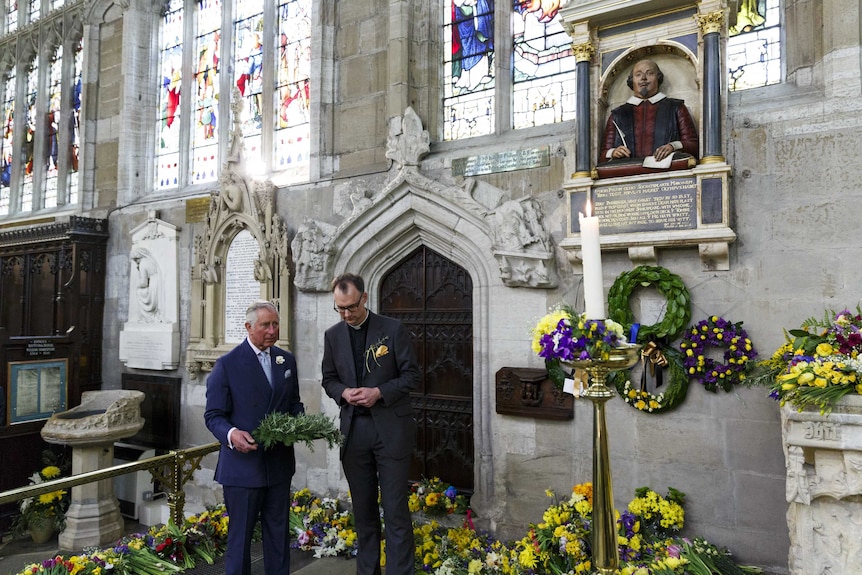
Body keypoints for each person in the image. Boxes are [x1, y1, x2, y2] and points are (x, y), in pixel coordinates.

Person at [321, 274, 420, 575]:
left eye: (351, 307)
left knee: (395, 513)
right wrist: (343, 393)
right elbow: (328, 379)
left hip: (390, 430)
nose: (347, 314)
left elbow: (412, 376)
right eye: (340, 309)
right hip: (354, 433)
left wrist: (380, 392)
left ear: (364, 298)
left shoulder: (392, 330)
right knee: (363, 514)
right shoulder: (333, 335)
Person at [205, 301, 304, 575]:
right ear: (248, 327)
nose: (272, 330)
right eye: (265, 325)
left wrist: (299, 424)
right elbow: (213, 415)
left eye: (275, 324)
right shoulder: (227, 365)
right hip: (243, 469)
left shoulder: (286, 360)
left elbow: (294, 404)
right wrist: (232, 434)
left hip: (278, 466)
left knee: (278, 537)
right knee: (240, 541)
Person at [599, 59, 699, 164]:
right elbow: (603, 155)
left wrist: (673, 146)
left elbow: (693, 146)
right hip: (629, 172)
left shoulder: (676, 108)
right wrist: (613, 152)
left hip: (667, 172)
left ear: (658, 78)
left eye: (649, 73)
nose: (643, 78)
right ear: (631, 80)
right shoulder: (617, 115)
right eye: (638, 75)